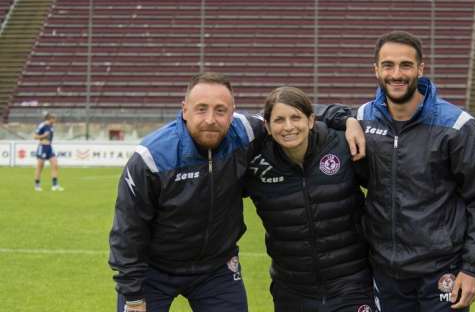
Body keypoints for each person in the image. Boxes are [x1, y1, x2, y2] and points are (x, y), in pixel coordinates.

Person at [108, 72, 357, 312]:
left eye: (220, 110)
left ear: (232, 111)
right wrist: (132, 293)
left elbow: (291, 111)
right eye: (201, 108)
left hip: (215, 269)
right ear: (185, 109)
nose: (210, 119)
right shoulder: (152, 158)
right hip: (154, 270)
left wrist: (347, 120)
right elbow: (128, 229)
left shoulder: (245, 132)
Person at [350, 31, 475, 311]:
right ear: (376, 70)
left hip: (441, 271)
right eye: (388, 65)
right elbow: (306, 117)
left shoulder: (456, 125)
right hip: (385, 272)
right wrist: (343, 119)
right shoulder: (361, 119)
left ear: (420, 69)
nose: (396, 74)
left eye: (405, 65)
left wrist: (472, 269)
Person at [244, 87, 374, 312]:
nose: (288, 127)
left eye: (296, 117)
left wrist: (349, 119)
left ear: (311, 120)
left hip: (352, 284)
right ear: (266, 126)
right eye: (279, 120)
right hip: (292, 291)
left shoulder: (342, 145)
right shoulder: (255, 163)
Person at [33, 112, 64, 191]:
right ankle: (37, 185)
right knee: (40, 166)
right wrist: (43, 135)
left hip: (49, 147)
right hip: (42, 147)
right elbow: (34, 136)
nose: (55, 120)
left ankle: (55, 185)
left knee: (55, 165)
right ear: (50, 119)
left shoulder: (51, 126)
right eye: (54, 119)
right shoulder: (42, 125)